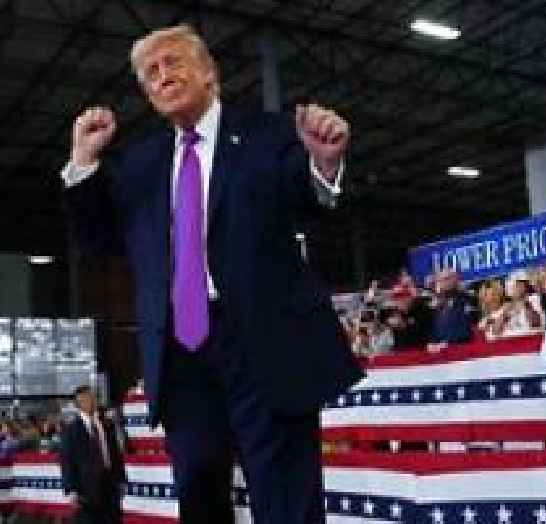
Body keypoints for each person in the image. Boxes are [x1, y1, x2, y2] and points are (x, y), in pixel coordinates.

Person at [60, 24, 363, 524]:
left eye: (173, 62)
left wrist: (324, 164)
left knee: (284, 492)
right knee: (198, 488)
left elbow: (310, 198)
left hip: (266, 340)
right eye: (151, 72)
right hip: (181, 351)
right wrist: (82, 162)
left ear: (208, 73)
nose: (163, 76)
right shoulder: (138, 162)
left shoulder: (267, 133)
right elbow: (97, 241)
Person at [59, 386, 126, 524]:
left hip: (110, 483)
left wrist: (121, 479)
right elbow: (67, 459)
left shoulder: (107, 424)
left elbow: (116, 455)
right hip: (86, 487)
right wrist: (71, 489)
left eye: (90, 398)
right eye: (84, 399)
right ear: (78, 404)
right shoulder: (71, 429)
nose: (89, 402)